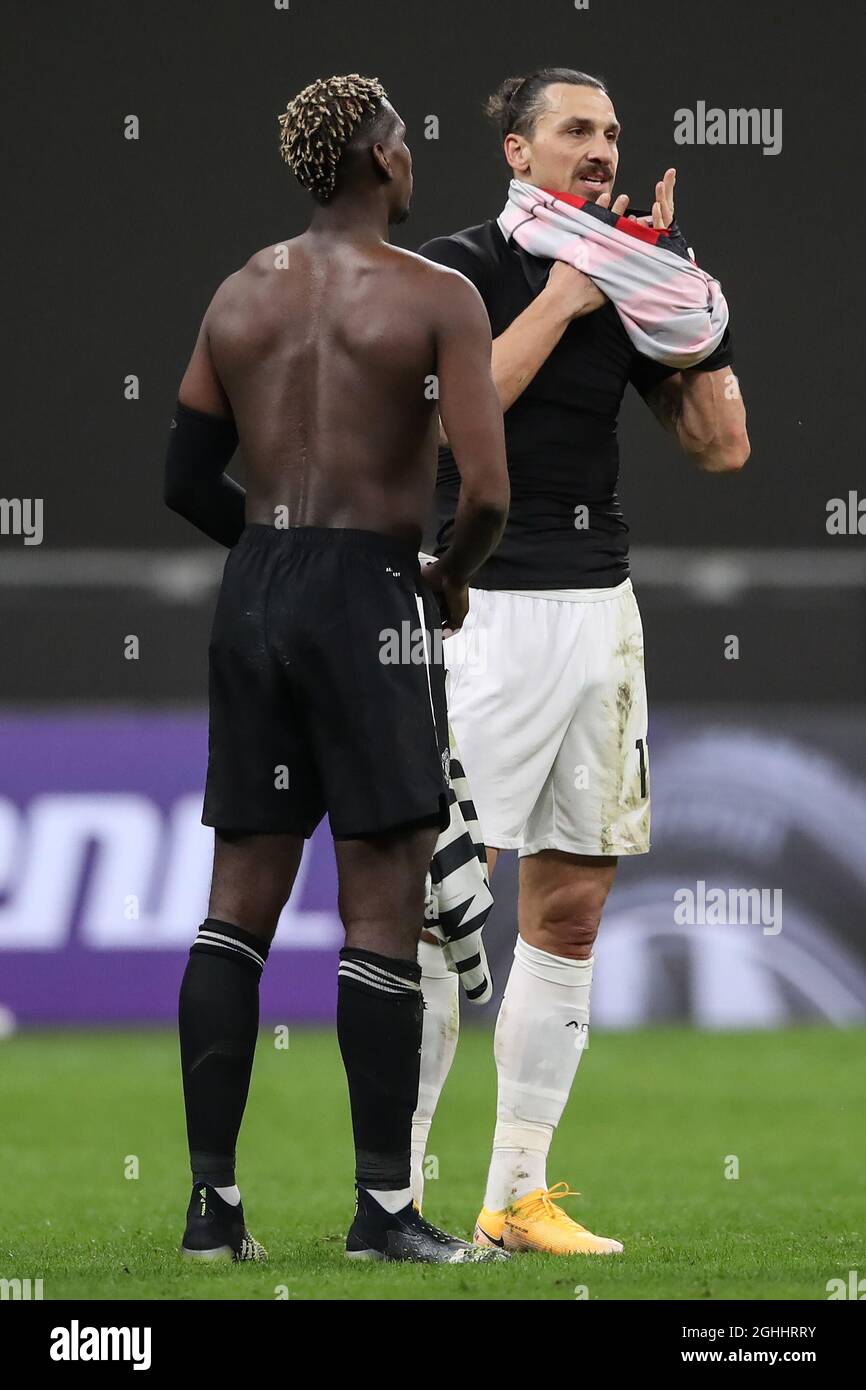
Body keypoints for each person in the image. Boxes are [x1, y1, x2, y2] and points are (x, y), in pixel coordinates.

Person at [163, 73, 509, 1264]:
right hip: (370, 592)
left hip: (254, 590)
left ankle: (213, 1211)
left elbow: (179, 476)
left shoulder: (238, 293)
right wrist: (443, 579)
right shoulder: (434, 297)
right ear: (375, 159)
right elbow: (490, 489)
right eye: (406, 139)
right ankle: (383, 1215)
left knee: (233, 911)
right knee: (380, 906)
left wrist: (270, 564)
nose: (415, 157)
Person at [413, 67, 749, 1254]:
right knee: (440, 904)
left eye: (610, 133)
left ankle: (514, 1196)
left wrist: (676, 301)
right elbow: (459, 423)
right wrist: (566, 291)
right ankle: (394, 1199)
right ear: (516, 151)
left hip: (597, 610)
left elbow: (722, 446)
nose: (600, 149)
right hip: (480, 610)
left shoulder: (629, 280)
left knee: (570, 903)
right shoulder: (458, 268)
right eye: (575, 131)